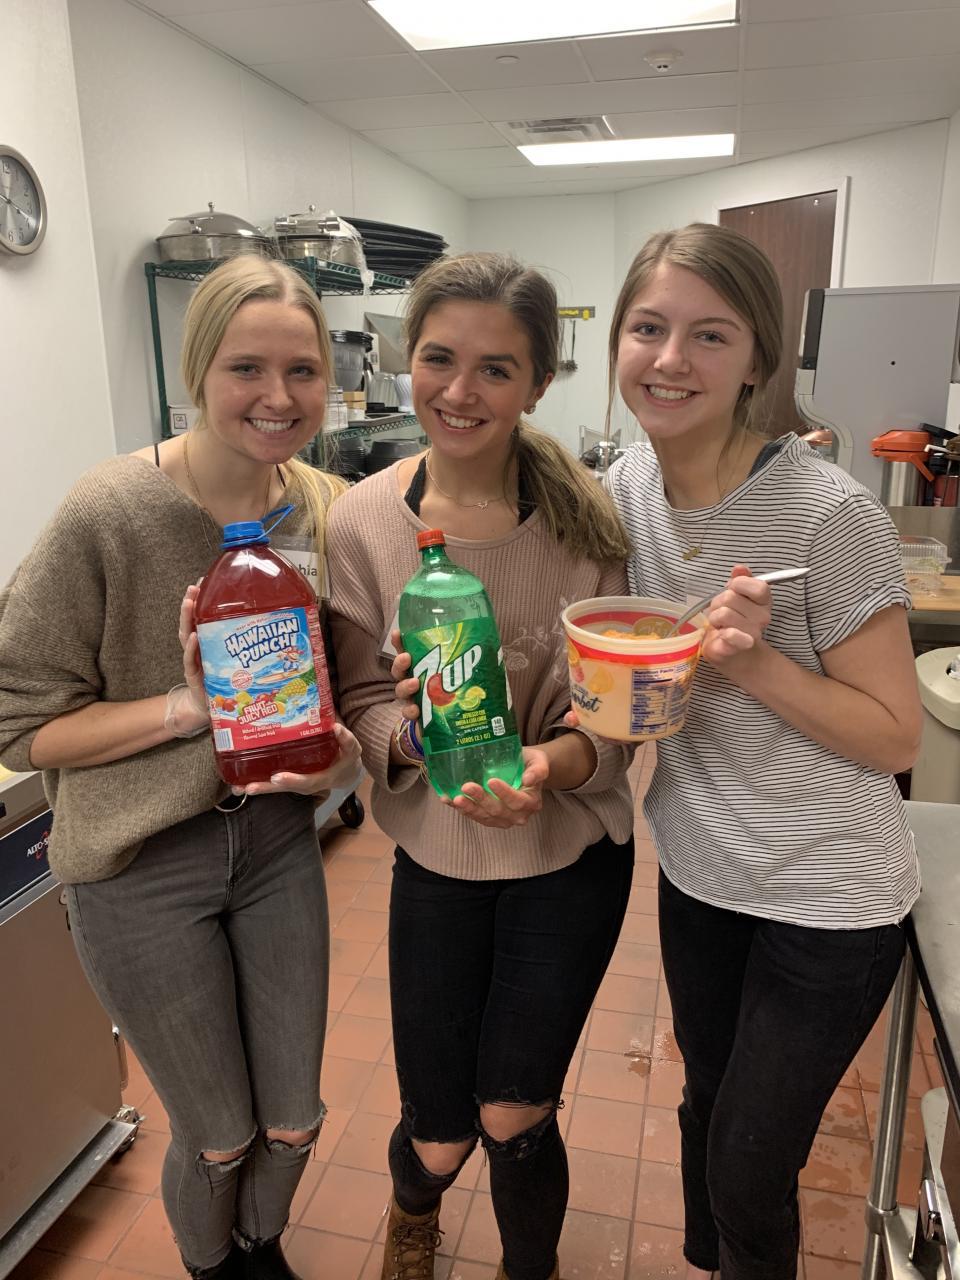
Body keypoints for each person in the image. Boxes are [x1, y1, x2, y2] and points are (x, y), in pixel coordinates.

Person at [0, 255, 362, 1280]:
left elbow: (341, 687)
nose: (278, 396)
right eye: (247, 367)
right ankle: (220, 1267)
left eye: (302, 370)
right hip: (139, 868)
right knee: (219, 1133)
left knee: (292, 1117)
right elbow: (19, 722)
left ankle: (260, 1248)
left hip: (278, 846)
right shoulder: (109, 512)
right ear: (197, 370)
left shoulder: (327, 510)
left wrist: (338, 752)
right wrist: (184, 710)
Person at [602, 222, 922, 1280]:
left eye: (710, 335)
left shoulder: (830, 513)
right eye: (649, 328)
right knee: (706, 1100)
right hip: (701, 871)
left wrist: (749, 663)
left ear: (756, 363)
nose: (670, 359)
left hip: (830, 896)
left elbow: (896, 734)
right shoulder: (626, 488)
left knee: (748, 1167)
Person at [325, 252, 636, 1280]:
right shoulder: (363, 522)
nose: (460, 391)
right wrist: (421, 738)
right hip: (438, 860)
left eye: (497, 369)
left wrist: (546, 763)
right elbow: (361, 701)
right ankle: (413, 1210)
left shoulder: (592, 519)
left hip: (569, 856)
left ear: (538, 383)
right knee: (441, 1132)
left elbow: (619, 718)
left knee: (516, 1115)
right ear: (407, 360)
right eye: (439, 358)